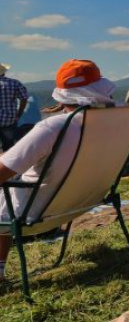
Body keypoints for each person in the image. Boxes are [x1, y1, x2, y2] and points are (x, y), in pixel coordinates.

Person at [0, 59, 114, 282]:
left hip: (34, 210)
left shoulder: (54, 127)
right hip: (84, 199)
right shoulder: (111, 122)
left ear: (62, 94)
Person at [0, 64, 29, 152]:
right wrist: (19, 113)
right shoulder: (15, 83)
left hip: (9, 119)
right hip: (10, 119)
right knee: (8, 147)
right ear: (4, 72)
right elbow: (24, 98)